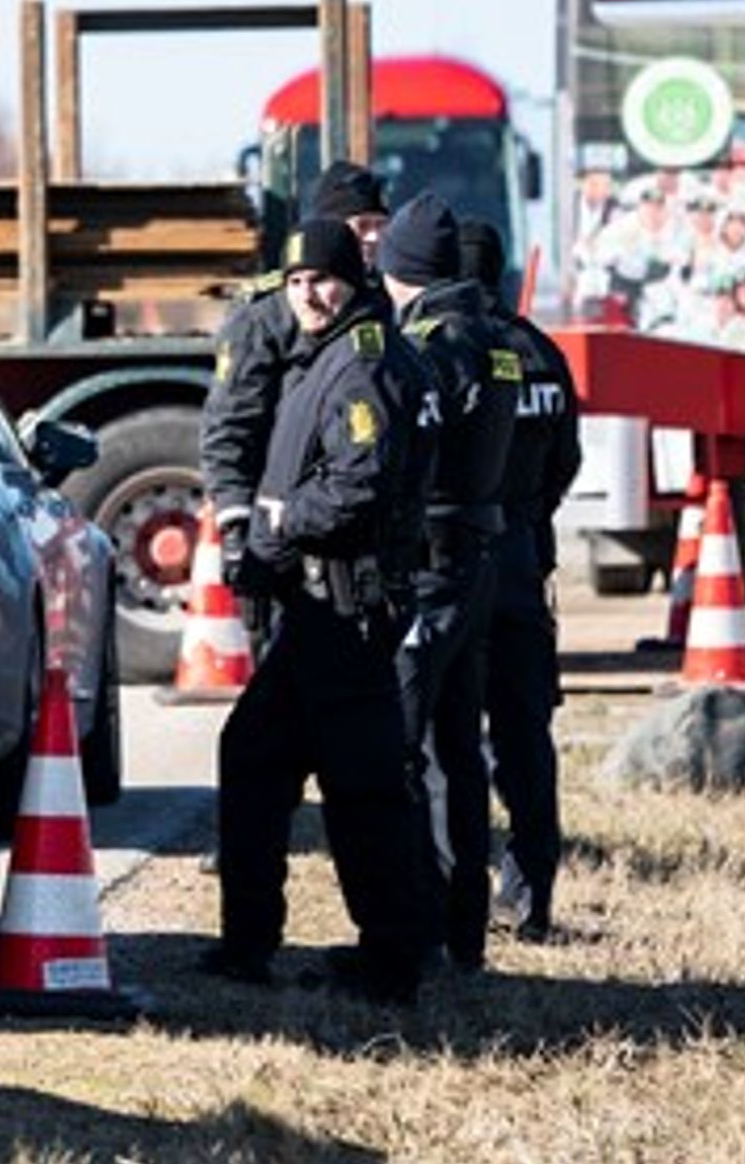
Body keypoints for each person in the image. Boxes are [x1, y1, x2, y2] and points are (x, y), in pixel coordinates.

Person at [202, 217, 430, 1004]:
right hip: (314, 609)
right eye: (296, 281)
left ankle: (393, 958)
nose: (308, 293)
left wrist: (277, 522)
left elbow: (360, 483)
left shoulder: (361, 364)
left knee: (362, 789)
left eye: (322, 279)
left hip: (348, 605)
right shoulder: (320, 354)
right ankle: (246, 943)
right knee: (254, 759)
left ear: (355, 280)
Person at [378, 192, 519, 974]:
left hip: (430, 566)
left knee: (399, 748)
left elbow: (405, 453)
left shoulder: (431, 344)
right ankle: (462, 933)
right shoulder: (495, 339)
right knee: (458, 753)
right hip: (478, 561)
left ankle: (414, 931)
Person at [458, 221, 581, 943]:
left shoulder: (440, 347)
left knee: (450, 742)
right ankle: (530, 896)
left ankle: (457, 900)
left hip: (457, 562)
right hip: (524, 562)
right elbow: (565, 462)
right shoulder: (542, 353)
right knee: (525, 737)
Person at [201, 161, 389, 617]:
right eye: (360, 226)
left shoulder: (380, 302)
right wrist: (237, 530)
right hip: (280, 530)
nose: (373, 239)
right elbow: (230, 427)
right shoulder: (266, 316)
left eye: (381, 226)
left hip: (352, 535)